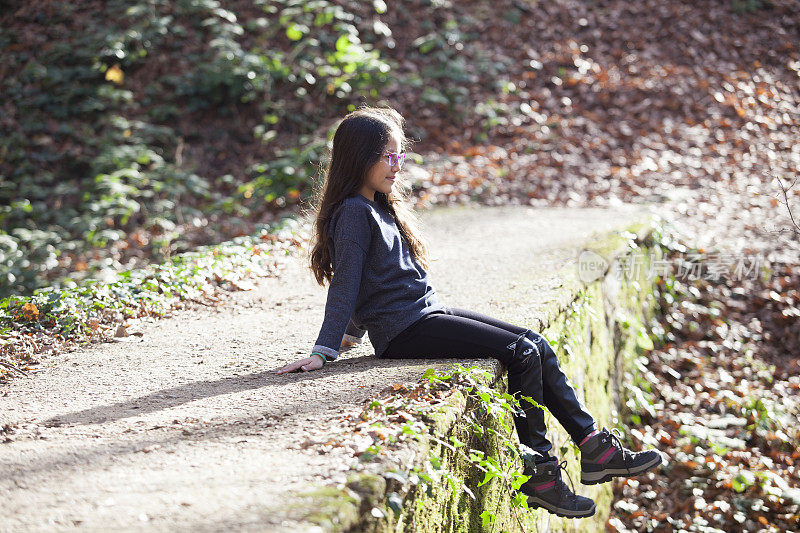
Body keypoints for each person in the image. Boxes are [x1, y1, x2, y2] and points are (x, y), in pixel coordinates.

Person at [275, 106, 664, 518]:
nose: (396, 166)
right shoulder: (354, 212)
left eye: (399, 155)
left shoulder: (376, 206)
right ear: (359, 158)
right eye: (387, 156)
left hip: (423, 315)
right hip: (405, 330)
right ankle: (543, 474)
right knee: (522, 351)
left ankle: (595, 448)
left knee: (536, 343)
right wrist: (324, 348)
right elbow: (347, 282)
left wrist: (351, 333)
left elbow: (369, 279)